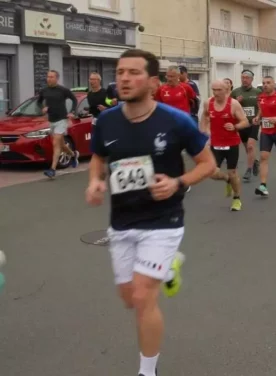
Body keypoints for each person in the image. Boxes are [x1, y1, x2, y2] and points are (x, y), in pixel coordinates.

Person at [86, 49, 216, 376]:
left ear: (154, 82)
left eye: (134, 72)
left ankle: (147, 371)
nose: (125, 79)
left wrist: (178, 183)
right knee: (129, 298)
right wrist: (94, 182)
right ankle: (170, 267)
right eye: (121, 72)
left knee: (144, 297)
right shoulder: (107, 120)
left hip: (164, 220)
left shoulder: (176, 121)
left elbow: (208, 164)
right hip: (122, 221)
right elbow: (99, 158)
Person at [202, 80, 249, 211]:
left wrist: (235, 126)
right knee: (211, 172)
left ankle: (236, 198)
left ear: (226, 90)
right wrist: (204, 133)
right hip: (215, 143)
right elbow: (205, 118)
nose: (216, 93)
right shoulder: (208, 103)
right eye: (214, 90)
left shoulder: (233, 104)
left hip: (231, 143)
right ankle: (227, 179)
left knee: (232, 172)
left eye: (219, 90)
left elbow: (245, 122)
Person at [37, 70, 80, 178]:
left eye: (51, 77)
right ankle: (73, 155)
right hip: (51, 120)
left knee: (56, 144)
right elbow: (38, 102)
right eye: (48, 77)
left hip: (62, 120)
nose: (49, 79)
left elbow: (74, 99)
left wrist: (72, 111)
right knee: (60, 144)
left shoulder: (63, 90)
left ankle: (52, 169)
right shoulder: (44, 90)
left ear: (56, 78)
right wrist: (43, 108)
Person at [231, 70, 262, 182]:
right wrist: (236, 101)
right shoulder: (235, 92)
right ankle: (255, 161)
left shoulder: (258, 92)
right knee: (247, 148)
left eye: (247, 78)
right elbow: (230, 107)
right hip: (242, 123)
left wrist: (258, 117)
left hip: (253, 122)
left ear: (252, 79)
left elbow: (261, 107)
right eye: (242, 77)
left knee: (250, 146)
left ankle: (248, 169)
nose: (244, 79)